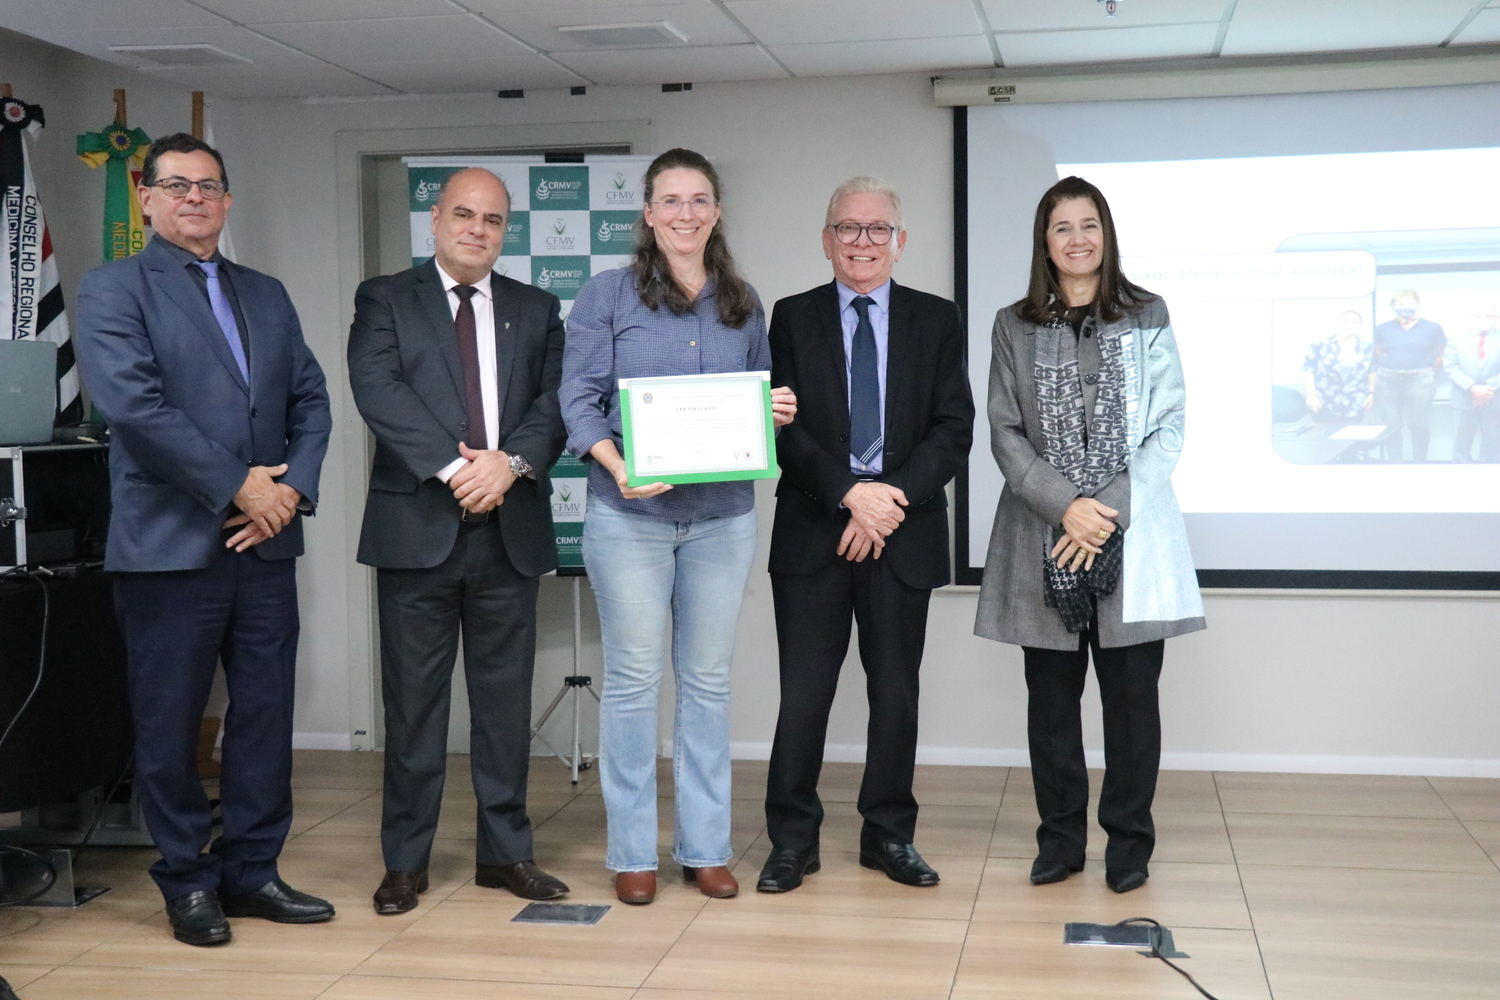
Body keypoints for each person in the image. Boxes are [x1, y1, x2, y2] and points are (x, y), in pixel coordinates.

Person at [74, 133, 333, 945]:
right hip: (169, 548)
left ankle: (252, 870)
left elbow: (312, 400)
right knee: (170, 722)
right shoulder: (114, 289)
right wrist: (240, 485)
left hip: (265, 544)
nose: (194, 198)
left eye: (210, 185)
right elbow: (134, 409)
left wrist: (288, 491)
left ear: (227, 201)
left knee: (261, 716)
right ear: (147, 200)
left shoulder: (267, 292)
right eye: (177, 185)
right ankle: (186, 879)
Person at [560, 148, 796, 906]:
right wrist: (617, 463)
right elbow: (579, 401)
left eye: (700, 201)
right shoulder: (607, 296)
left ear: (716, 212)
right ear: (650, 213)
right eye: (671, 200)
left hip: (721, 519)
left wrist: (774, 412)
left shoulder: (742, 299)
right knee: (632, 683)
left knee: (707, 683)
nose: (686, 214)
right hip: (628, 515)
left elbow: (754, 404)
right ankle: (632, 852)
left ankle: (705, 847)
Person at [347, 167, 570, 915]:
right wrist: (456, 470)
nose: (478, 229)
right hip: (418, 533)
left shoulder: (537, 308)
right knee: (414, 708)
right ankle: (405, 862)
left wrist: (510, 465)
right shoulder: (385, 298)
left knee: (504, 707)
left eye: (494, 220)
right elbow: (378, 391)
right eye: (464, 215)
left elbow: (554, 404)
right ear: (435, 220)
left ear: (507, 231)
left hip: (509, 532)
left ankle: (506, 856)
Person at [973, 176, 1205, 895]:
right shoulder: (1013, 323)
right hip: (1041, 534)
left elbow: (1170, 424)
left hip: (1129, 534)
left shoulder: (1146, 314)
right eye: (1062, 228)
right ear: (1044, 243)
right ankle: (1060, 841)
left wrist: (1101, 509)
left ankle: (1129, 844)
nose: (1078, 239)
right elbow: (1005, 432)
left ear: (1106, 234)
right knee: (1051, 704)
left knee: (1133, 706)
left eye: (1089, 224)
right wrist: (1062, 505)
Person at [758, 177, 974, 894]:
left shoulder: (937, 320)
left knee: (895, 693)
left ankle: (888, 836)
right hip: (814, 531)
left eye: (877, 229)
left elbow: (953, 430)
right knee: (804, 695)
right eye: (847, 228)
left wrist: (888, 502)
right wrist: (852, 496)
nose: (862, 242)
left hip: (901, 534)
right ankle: (792, 841)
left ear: (900, 242)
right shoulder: (790, 317)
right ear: (826, 241)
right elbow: (782, 429)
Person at [1372, 289, 1445, 461]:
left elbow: (1440, 355)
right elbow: (1377, 353)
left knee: (1419, 425)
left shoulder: (1432, 327)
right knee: (1390, 426)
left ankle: (1419, 463)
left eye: (1410, 303)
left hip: (1420, 381)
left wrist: (1425, 372)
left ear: (1418, 304)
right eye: (1400, 303)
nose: (1406, 307)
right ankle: (1395, 463)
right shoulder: (1382, 328)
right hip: (1387, 382)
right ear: (1392, 307)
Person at [1443, 304, 1500, 463]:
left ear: (1497, 318)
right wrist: (1473, 388)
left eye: (1488, 315)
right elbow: (1450, 367)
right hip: (1463, 398)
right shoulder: (1456, 339)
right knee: (1461, 445)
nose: (1484, 318)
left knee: (1493, 445)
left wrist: (1488, 389)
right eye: (1478, 315)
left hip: (1495, 399)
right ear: (1471, 318)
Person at [1302, 310, 1374, 421]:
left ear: (1359, 326)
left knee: (1352, 436)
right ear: (1338, 323)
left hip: (1355, 401)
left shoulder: (1366, 346)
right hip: (1324, 401)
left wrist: (1371, 393)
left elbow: (1372, 370)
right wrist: (1311, 397)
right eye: (1345, 321)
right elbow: (1308, 370)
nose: (1349, 324)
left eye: (1354, 322)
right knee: (1324, 435)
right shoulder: (1321, 344)